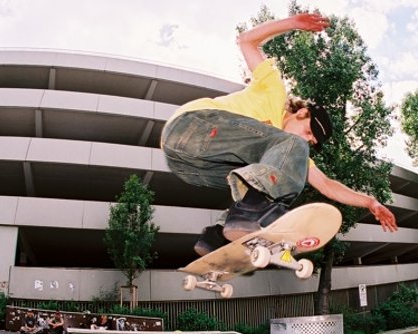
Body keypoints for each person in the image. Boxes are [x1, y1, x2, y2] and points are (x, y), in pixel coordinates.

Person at [160, 13, 398, 256]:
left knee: (267, 174)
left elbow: (326, 185)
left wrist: (370, 202)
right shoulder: (274, 91)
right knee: (282, 165)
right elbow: (246, 41)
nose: (304, 140)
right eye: (307, 133)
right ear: (302, 113)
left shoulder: (281, 154)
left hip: (187, 166)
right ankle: (251, 212)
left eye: (310, 141)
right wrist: (293, 24)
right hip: (193, 125)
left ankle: (218, 236)